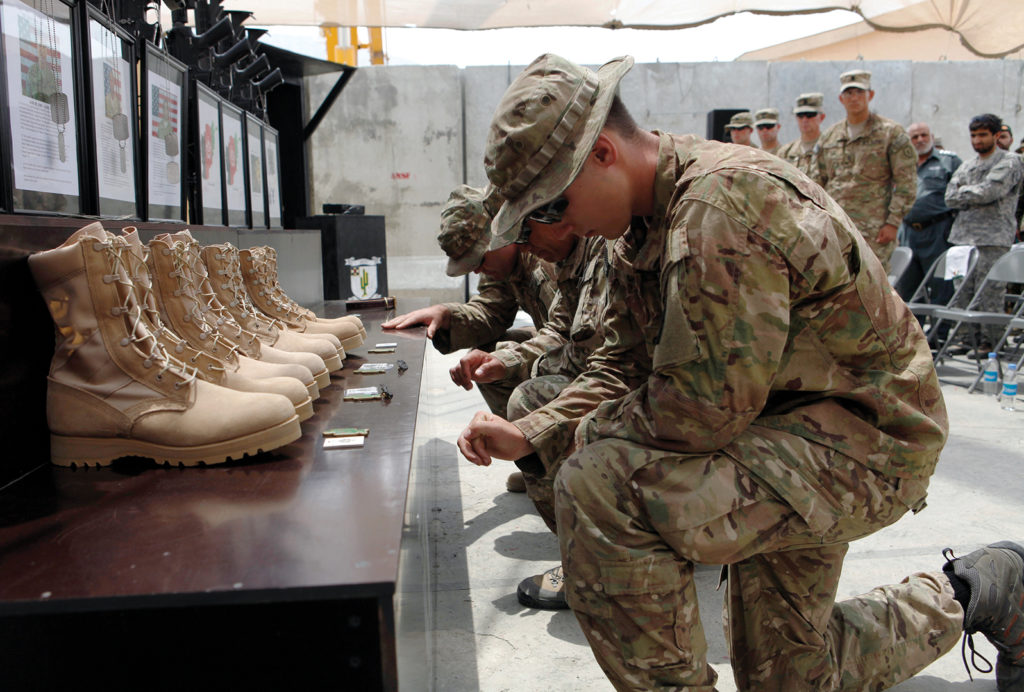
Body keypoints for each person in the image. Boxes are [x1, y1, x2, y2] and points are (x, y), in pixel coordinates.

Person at [458, 53, 1024, 691]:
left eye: (552, 206)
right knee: (791, 679)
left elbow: (699, 411)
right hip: (773, 434)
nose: (554, 228)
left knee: (600, 483)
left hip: (864, 443)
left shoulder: (720, 208)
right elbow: (620, 363)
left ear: (604, 155)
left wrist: (581, 436)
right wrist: (534, 431)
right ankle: (984, 589)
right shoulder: (636, 229)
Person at [381, 185, 559, 418]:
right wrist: (445, 315)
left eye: (479, 259)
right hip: (562, 344)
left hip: (588, 358)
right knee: (483, 356)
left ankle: (539, 442)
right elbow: (493, 309)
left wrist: (504, 359)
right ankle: (526, 445)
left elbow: (571, 337)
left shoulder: (546, 258)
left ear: (501, 231)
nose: (477, 270)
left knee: (497, 361)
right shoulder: (503, 261)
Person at [817, 69, 917, 270]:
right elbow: (817, 182)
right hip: (836, 228)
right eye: (849, 93)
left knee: (873, 289)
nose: (854, 98)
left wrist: (893, 223)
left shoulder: (891, 133)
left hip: (875, 231)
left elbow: (907, 183)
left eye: (859, 92)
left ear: (870, 95)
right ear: (841, 98)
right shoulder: (829, 137)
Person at [945, 113, 1024, 351]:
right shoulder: (968, 164)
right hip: (963, 238)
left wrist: (965, 194)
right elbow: (949, 197)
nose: (977, 140)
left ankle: (992, 342)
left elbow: (991, 191)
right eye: (973, 135)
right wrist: (973, 193)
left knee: (990, 292)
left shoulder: (1010, 161)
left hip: (993, 238)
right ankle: (968, 339)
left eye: (982, 135)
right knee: (963, 291)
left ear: (996, 136)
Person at [896, 123, 962, 310]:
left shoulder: (949, 162)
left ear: (932, 136)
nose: (920, 140)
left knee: (941, 287)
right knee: (908, 288)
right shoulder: (901, 165)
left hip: (938, 232)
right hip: (908, 232)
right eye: (914, 137)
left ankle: (938, 337)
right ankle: (913, 336)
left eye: (924, 135)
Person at [775, 92, 825, 178]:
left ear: (821, 117)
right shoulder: (785, 153)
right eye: (800, 115)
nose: (805, 120)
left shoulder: (829, 148)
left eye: (810, 115)